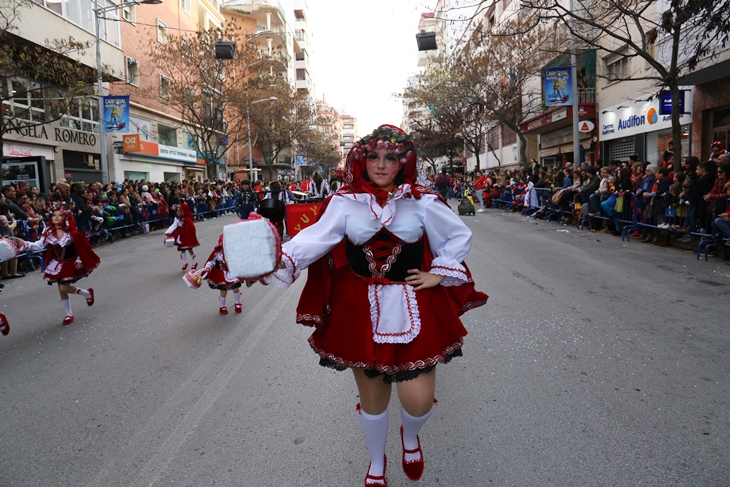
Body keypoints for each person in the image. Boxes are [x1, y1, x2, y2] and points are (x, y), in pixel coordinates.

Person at [271, 124, 487, 486]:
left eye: (391, 158)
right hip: (360, 308)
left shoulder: (423, 200)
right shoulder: (344, 201)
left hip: (415, 301)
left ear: (404, 162)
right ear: (362, 159)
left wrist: (439, 272)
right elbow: (315, 239)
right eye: (374, 157)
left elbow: (457, 234)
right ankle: (376, 461)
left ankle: (410, 435)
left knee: (417, 401)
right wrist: (276, 260)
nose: (382, 165)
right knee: (374, 400)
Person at [17, 204, 100, 325]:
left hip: (71, 261)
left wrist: (80, 260)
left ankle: (86, 293)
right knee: (61, 288)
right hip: (57, 263)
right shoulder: (48, 232)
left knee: (63, 287)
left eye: (60, 215)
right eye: (54, 215)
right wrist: (25, 243)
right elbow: (40, 245)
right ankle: (68, 314)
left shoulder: (72, 233)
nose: (56, 217)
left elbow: (81, 247)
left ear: (65, 218)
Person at [202, 235, 245, 314]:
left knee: (236, 288)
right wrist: (208, 267)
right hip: (221, 275)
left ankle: (237, 303)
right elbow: (211, 261)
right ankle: (222, 306)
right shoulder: (217, 254)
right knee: (223, 291)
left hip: (232, 273)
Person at [164, 204, 200, 271]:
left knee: (189, 249)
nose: (178, 213)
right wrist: (168, 232)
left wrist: (189, 235)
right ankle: (184, 263)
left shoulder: (187, 219)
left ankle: (194, 262)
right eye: (177, 211)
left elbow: (191, 228)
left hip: (186, 235)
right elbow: (173, 226)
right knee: (182, 249)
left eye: (179, 211)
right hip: (180, 236)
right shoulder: (177, 219)